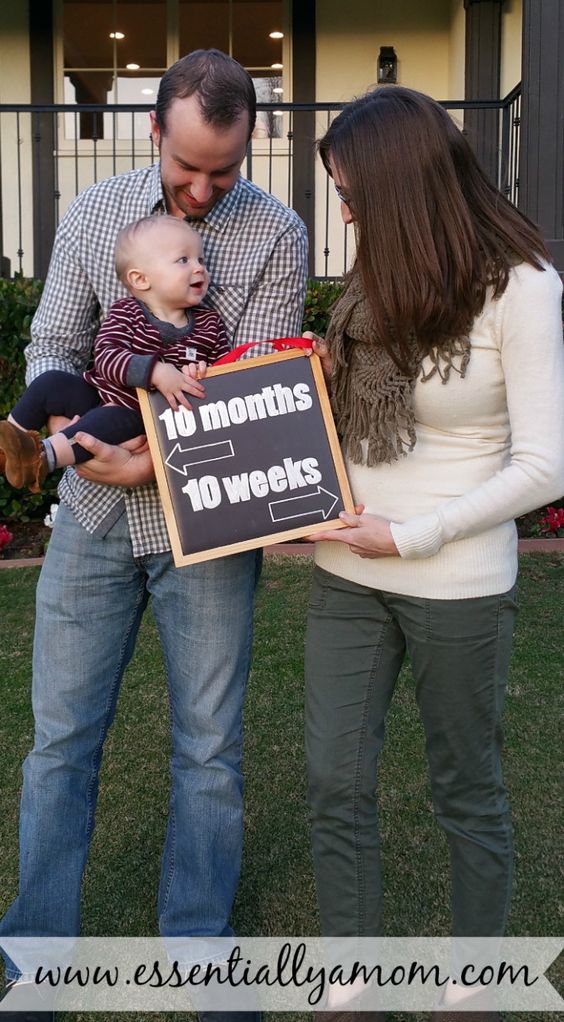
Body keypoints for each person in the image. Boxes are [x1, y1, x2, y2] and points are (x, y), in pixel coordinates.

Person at [0, 48, 308, 1022]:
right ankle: (33, 961)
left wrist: (153, 463)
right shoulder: (96, 214)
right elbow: (55, 343)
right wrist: (76, 439)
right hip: (92, 516)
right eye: (187, 169)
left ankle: (200, 946)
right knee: (60, 742)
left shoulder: (277, 233)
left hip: (207, 524)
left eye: (225, 170)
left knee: (209, 749)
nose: (204, 190)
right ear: (153, 131)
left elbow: (261, 391)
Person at [303, 86, 564, 1022]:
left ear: (400, 185)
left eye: (351, 192)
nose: (345, 212)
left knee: (466, 787)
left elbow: (545, 465)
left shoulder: (522, 286)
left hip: (457, 579)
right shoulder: (375, 278)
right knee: (334, 778)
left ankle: (477, 984)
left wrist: (412, 535)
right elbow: (346, 418)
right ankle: (354, 983)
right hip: (349, 572)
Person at [0, 215, 228, 491]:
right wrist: (154, 372)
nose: (199, 268)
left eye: (201, 260)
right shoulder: (126, 312)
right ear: (140, 279)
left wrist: (202, 375)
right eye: (184, 260)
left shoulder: (209, 324)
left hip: (140, 415)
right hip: (98, 393)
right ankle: (9, 444)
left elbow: (227, 377)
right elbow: (107, 357)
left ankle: (39, 460)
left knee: (101, 422)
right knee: (51, 383)